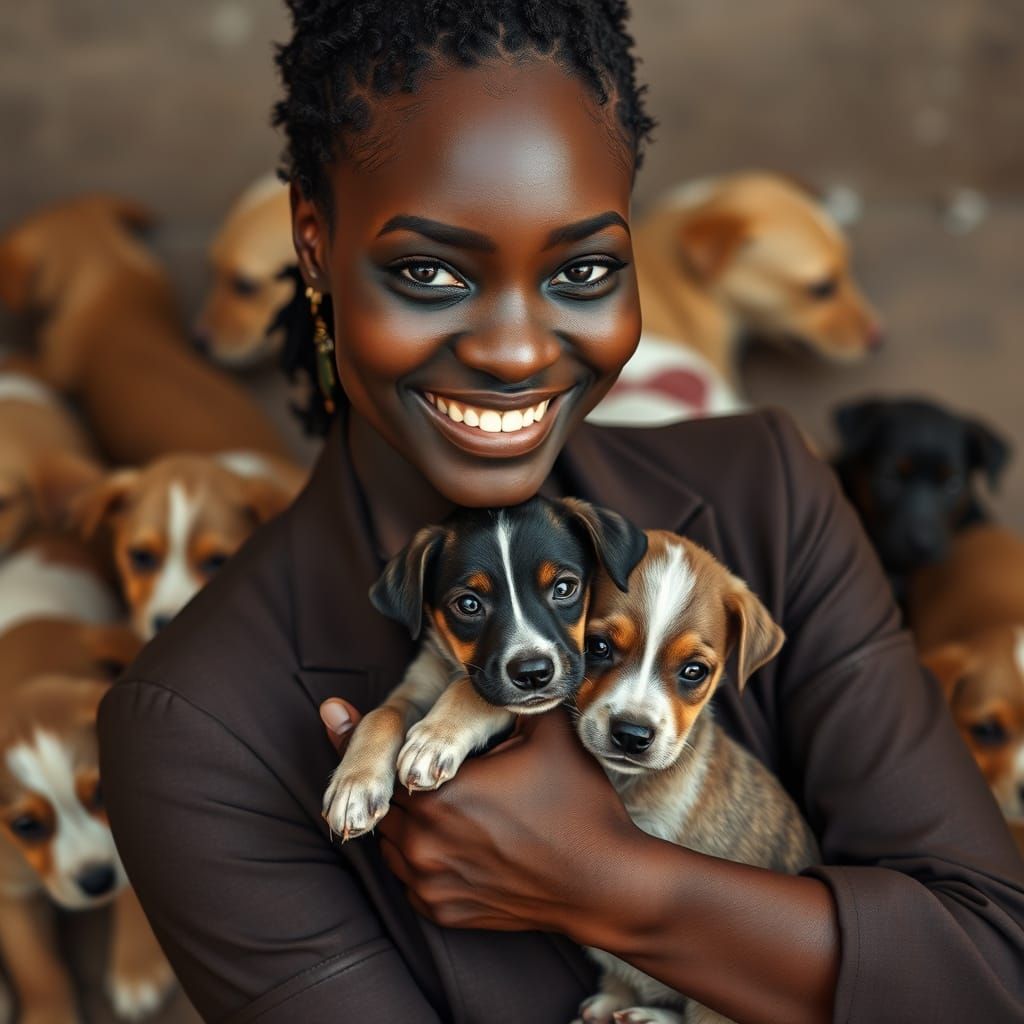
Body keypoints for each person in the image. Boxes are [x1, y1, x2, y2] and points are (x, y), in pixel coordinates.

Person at [98, 3, 1024, 1022]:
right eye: (430, 271)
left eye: (581, 269)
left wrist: (608, 883)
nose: (515, 349)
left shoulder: (765, 493)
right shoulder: (195, 731)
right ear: (312, 247)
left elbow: (989, 968)